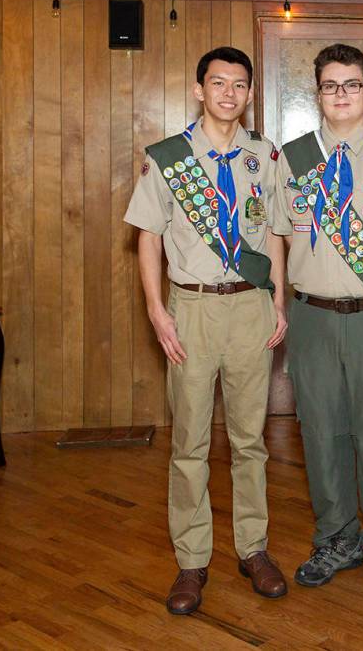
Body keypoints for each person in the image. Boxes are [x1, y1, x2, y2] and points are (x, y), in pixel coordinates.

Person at [124, 46, 289, 615]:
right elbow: (147, 235)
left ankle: (253, 549)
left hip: (250, 308)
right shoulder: (168, 157)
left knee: (250, 441)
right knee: (190, 443)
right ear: (199, 89)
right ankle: (192, 560)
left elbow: (275, 236)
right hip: (190, 310)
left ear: (248, 93)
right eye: (218, 83)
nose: (228, 94)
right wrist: (156, 309)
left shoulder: (264, 156)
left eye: (239, 85)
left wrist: (279, 301)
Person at [270, 43, 363, 600]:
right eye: (330, 86)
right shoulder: (294, 158)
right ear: (318, 92)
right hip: (311, 317)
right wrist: (280, 301)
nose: (341, 95)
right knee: (321, 434)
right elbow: (279, 237)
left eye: (351, 84)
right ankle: (336, 537)